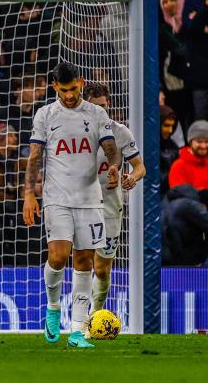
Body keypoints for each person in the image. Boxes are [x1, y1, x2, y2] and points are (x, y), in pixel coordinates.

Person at [22, 63, 120, 348]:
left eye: (73, 89)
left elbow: (111, 147)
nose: (68, 95)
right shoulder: (46, 115)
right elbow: (35, 156)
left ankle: (77, 331)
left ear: (81, 82)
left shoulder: (96, 113)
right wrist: (30, 194)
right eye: (63, 90)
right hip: (57, 198)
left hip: (90, 200)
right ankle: (53, 308)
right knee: (58, 255)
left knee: (84, 262)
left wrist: (113, 167)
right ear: (55, 87)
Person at [83, 83, 145, 318]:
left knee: (101, 269)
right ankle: (78, 320)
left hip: (110, 206)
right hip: (81, 204)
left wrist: (131, 177)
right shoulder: (74, 134)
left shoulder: (120, 132)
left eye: (104, 107)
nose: (102, 111)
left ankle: (95, 314)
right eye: (96, 107)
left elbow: (140, 167)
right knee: (82, 261)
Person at [169, 120, 208, 190]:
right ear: (190, 142)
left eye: (207, 142)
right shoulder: (179, 166)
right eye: (199, 141)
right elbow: (178, 193)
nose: (203, 146)